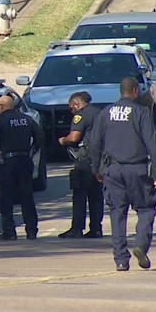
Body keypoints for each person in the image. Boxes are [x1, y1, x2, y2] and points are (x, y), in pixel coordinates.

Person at [89, 77, 156, 271]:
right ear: (134, 91)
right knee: (146, 209)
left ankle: (121, 259)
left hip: (112, 170)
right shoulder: (141, 112)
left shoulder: (105, 113)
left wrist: (96, 169)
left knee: (117, 213)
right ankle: (140, 245)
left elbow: (94, 143)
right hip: (137, 169)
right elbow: (151, 142)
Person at [0, 95, 43, 241]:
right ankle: (31, 230)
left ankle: (9, 231)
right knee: (27, 197)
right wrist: (32, 151)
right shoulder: (26, 119)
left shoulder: (0, 120)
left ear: (2, 107)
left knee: (5, 197)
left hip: (6, 163)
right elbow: (40, 136)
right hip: (24, 160)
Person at [57, 91, 103, 239]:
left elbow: (75, 137)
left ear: (77, 104)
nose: (71, 111)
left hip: (85, 159)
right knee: (96, 195)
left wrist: (63, 140)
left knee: (80, 193)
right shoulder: (100, 112)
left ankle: (77, 228)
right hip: (100, 158)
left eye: (71, 108)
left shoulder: (81, 115)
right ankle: (96, 228)